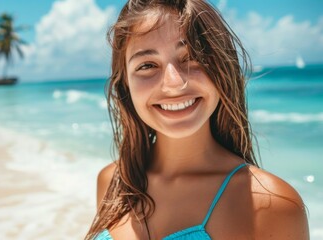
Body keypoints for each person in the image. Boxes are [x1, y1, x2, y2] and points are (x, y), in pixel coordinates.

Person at [86, 0, 309, 239]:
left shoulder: (270, 205)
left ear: (223, 68)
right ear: (126, 85)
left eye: (192, 56)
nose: (173, 83)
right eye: (148, 65)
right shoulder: (115, 182)